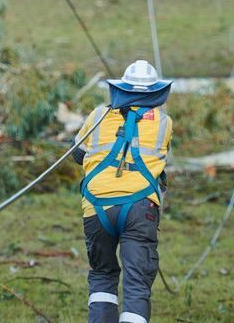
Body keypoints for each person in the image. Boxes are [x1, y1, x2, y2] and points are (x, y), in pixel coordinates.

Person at [72, 60, 173, 323]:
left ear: (121, 89)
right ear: (156, 92)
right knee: (137, 284)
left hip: (97, 206)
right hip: (140, 208)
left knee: (103, 275)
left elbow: (77, 154)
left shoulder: (97, 115)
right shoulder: (164, 123)